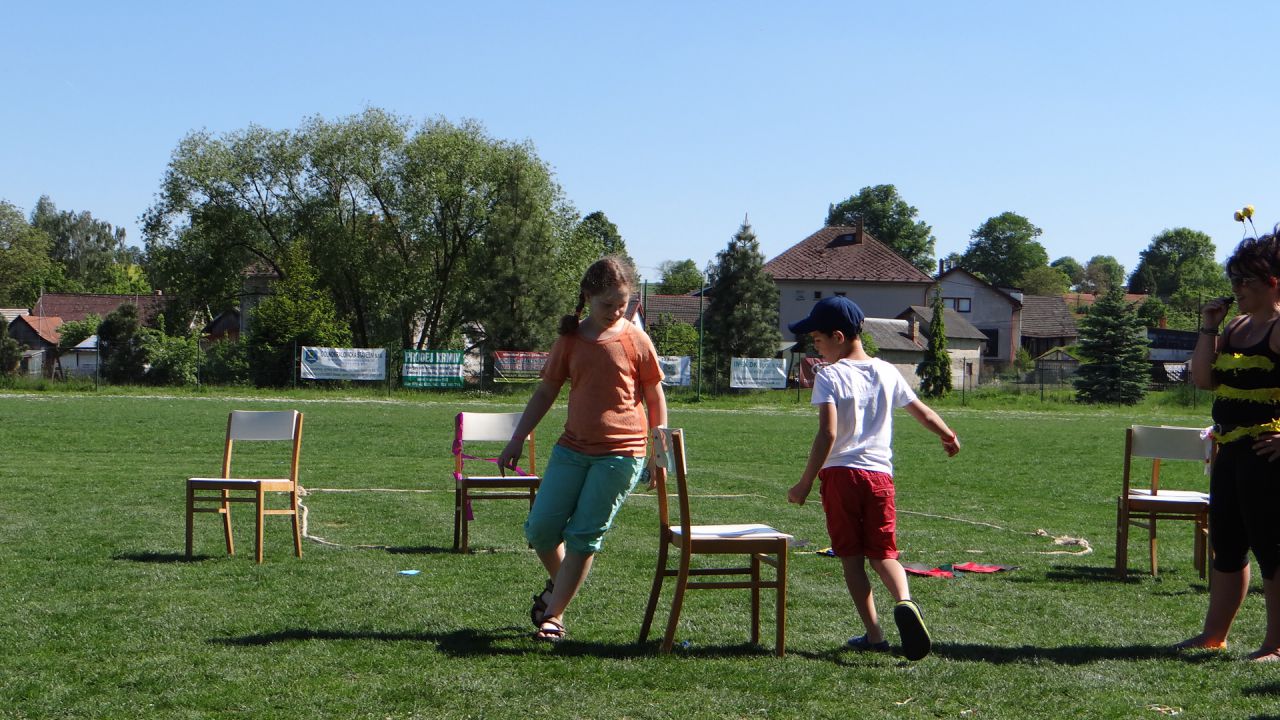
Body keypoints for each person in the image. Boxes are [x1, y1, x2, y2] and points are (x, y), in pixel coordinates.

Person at [498, 255, 667, 643]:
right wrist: (517, 438)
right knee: (540, 530)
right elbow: (545, 392)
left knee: (582, 536)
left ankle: (553, 616)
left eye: (622, 304)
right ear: (588, 297)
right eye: (608, 304)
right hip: (572, 449)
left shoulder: (636, 340)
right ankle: (561, 588)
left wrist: (660, 456)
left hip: (622, 453)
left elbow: (655, 397)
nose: (616, 311)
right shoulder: (570, 340)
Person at [785, 296, 960, 661]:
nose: (815, 347)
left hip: (840, 477)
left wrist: (805, 483)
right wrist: (947, 435)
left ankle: (875, 634)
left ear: (837, 337)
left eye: (817, 340)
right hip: (880, 477)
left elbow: (828, 433)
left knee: (851, 558)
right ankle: (905, 601)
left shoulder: (829, 375)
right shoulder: (887, 371)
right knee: (884, 553)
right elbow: (922, 412)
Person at [1182, 230, 1280, 661]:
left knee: (1273, 548)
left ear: (1273, 281)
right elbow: (1204, 380)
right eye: (1233, 279)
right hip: (1230, 452)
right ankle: (1213, 635)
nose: (1236, 288)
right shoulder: (1236, 326)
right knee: (1227, 543)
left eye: (1244, 280)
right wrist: (1209, 326)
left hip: (1267, 456)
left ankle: (1275, 644)